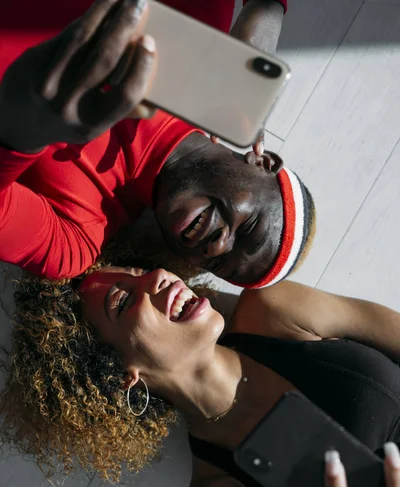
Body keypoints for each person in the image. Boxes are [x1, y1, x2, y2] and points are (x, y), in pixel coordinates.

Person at [2, 245, 400, 487]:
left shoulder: (277, 308)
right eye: (123, 302)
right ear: (120, 375)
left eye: (139, 272)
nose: (158, 277)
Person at [0, 0, 315, 288]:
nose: (215, 246)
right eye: (248, 229)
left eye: (218, 263)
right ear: (263, 162)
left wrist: (22, 133)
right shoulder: (201, 33)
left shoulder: (76, 241)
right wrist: (264, 10)